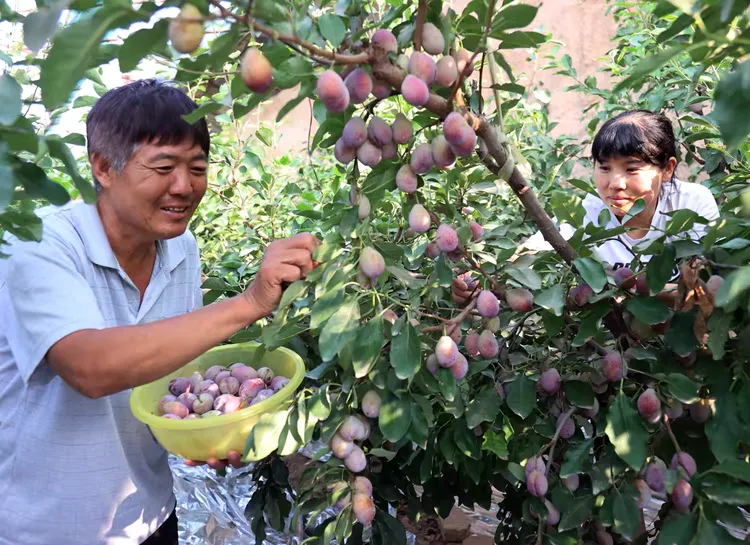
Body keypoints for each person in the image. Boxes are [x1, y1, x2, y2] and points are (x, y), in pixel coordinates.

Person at [0, 79, 320, 545]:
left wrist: (207, 432)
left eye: (198, 167)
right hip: (44, 530)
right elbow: (89, 367)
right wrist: (249, 303)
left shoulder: (180, 248)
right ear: (103, 167)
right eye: (164, 167)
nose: (185, 186)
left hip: (149, 516)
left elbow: (171, 373)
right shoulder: (40, 244)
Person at [453, 109, 720, 303]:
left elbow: (709, 290)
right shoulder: (588, 212)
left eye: (631, 169)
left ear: (668, 169)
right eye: (604, 168)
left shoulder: (692, 205)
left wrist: (628, 292)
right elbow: (533, 253)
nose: (615, 183)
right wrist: (479, 280)